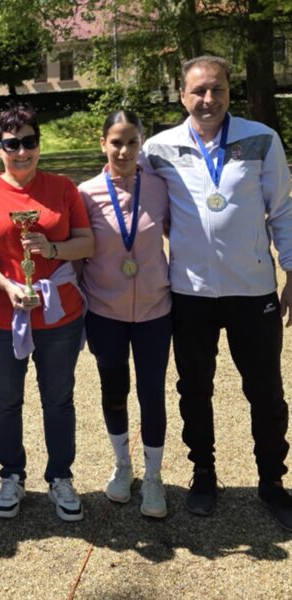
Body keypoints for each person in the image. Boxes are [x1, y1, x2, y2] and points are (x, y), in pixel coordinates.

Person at [143, 55, 292, 531]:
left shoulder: (261, 139)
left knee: (265, 390)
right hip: (190, 292)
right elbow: (141, 208)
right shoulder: (158, 148)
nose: (209, 99)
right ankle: (204, 474)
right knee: (194, 388)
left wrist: (291, 271)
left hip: (253, 289)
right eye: (199, 91)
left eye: (218, 90)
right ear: (182, 95)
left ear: (230, 91)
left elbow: (282, 210)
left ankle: (272, 480)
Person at [0, 103, 94, 522]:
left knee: (59, 399)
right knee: (6, 399)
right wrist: (8, 285)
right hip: (0, 315)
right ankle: (11, 475)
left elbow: (86, 242)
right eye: (11, 144)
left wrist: (50, 249)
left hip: (58, 315)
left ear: (39, 144)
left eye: (29, 142)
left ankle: (60, 477)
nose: (21, 151)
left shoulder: (63, 187)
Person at [78, 110, 171, 519]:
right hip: (105, 311)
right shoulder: (86, 194)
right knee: (114, 391)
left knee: (152, 393)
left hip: (154, 310)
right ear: (103, 144)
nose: (124, 151)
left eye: (132, 142)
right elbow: (79, 253)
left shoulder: (161, 188)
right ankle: (123, 465)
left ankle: (153, 476)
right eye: (116, 142)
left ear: (141, 143)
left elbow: (181, 233)